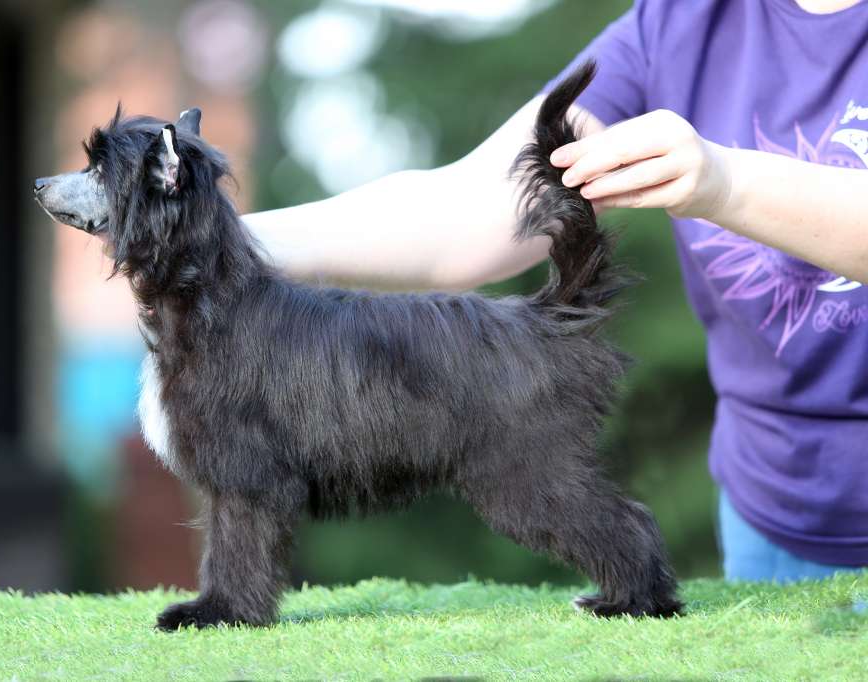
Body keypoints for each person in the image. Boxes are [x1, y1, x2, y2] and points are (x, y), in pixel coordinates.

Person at [243, 0, 868, 582]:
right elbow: (475, 208)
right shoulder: (682, 19)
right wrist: (230, 241)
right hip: (773, 511)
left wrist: (727, 182)